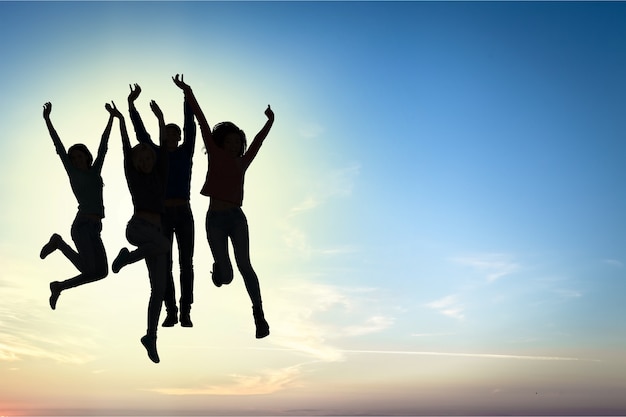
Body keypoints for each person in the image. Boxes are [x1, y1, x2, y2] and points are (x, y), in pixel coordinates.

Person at [172, 74, 274, 339]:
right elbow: (202, 122)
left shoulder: (243, 162)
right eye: (228, 141)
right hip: (214, 220)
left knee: (245, 266)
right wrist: (188, 91)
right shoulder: (215, 154)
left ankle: (259, 317)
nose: (233, 145)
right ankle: (219, 271)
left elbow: (258, 143)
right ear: (221, 143)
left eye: (237, 142)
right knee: (227, 276)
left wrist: (269, 121)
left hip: (236, 218)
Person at [128, 83, 197, 328]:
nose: (170, 136)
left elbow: (191, 126)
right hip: (163, 213)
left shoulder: (186, 150)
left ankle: (186, 311)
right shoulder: (157, 155)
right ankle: (171, 311)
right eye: (166, 132)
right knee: (164, 262)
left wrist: (186, 95)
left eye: (174, 133)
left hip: (184, 211)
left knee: (185, 262)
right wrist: (132, 105)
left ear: (178, 137)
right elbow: (141, 135)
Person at [110, 99, 170, 364]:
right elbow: (125, 148)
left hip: (156, 236)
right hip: (138, 229)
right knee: (165, 246)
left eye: (148, 157)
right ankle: (126, 258)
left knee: (159, 288)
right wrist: (121, 119)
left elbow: (164, 151)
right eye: (140, 159)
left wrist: (159, 119)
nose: (145, 161)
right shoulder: (133, 176)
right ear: (134, 163)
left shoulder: (160, 174)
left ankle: (150, 336)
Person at [40, 101, 116, 310]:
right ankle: (59, 248)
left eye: (79, 156)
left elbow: (104, 146)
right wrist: (47, 119)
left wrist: (111, 118)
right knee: (90, 269)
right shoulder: (73, 173)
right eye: (72, 158)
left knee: (100, 272)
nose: (75, 160)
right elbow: (58, 146)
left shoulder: (95, 171)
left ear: (86, 157)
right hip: (82, 226)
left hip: (95, 228)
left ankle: (58, 282)